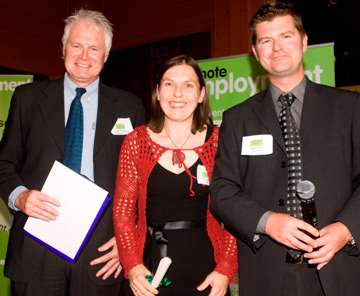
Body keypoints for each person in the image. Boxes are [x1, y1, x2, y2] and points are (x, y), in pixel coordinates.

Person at [210, 2, 360, 296]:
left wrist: (346, 228)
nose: (276, 47)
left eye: (286, 36)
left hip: (337, 267)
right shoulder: (236, 118)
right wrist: (267, 222)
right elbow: (222, 191)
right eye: (266, 40)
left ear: (304, 42)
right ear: (255, 52)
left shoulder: (349, 108)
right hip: (266, 273)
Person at [0, 8, 145, 296]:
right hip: (36, 240)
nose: (84, 55)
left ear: (105, 57)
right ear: (63, 48)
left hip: (102, 248)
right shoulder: (27, 99)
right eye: (76, 45)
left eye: (94, 48)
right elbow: (3, 163)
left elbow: (142, 181)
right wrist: (20, 196)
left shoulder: (130, 107)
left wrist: (129, 241)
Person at [113, 55, 237, 296]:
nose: (177, 93)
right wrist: (133, 266)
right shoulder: (136, 142)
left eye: (188, 85)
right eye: (169, 84)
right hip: (147, 272)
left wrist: (225, 268)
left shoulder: (220, 142)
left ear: (201, 94)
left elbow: (235, 212)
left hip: (208, 274)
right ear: (158, 92)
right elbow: (123, 212)